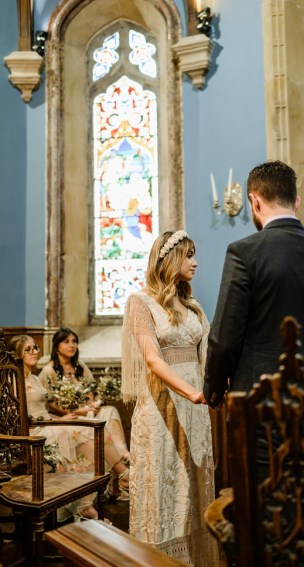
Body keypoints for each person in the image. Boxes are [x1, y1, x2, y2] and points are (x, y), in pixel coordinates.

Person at [203, 160, 304, 409]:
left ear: (254, 201)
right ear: (296, 202)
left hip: (257, 403)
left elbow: (225, 338)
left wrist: (212, 389)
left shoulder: (244, 252)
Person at [121, 230, 218, 566]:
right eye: (189, 255)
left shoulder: (194, 307)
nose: (195, 262)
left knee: (193, 490)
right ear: (169, 259)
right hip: (163, 409)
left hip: (197, 411)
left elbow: (211, 356)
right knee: (163, 491)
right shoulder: (140, 302)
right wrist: (191, 392)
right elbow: (152, 358)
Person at [8, 335, 129, 520]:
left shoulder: (33, 377)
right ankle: (123, 475)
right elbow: (16, 418)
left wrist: (62, 418)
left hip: (47, 422)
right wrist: (60, 420)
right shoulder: (14, 382)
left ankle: (87, 504)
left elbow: (45, 410)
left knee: (92, 429)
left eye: (35, 348)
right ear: (17, 354)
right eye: (28, 349)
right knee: (86, 430)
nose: (34, 352)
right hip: (33, 431)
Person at [39, 327, 129, 471]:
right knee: (95, 423)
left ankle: (122, 452)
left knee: (111, 411)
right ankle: (119, 466)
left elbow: (93, 388)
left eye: (74, 341)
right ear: (57, 346)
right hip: (70, 415)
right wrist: (80, 410)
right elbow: (50, 404)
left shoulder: (79, 365)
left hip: (89, 410)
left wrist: (96, 404)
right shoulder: (49, 371)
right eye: (66, 341)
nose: (71, 345)